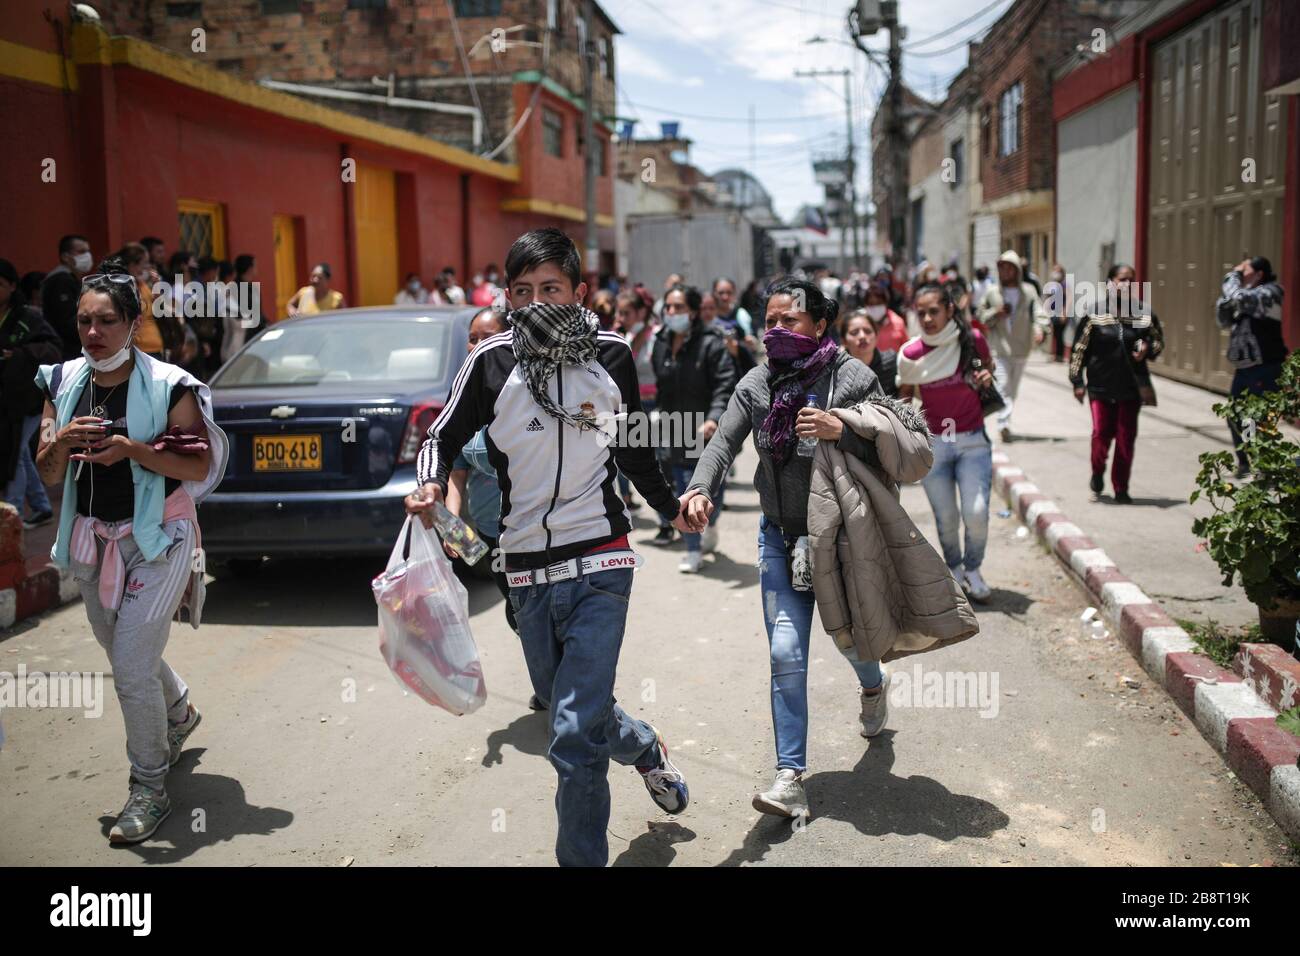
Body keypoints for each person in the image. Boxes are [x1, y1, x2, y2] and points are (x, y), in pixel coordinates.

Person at [405, 228, 696, 867]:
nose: (537, 302)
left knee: (570, 735)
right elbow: (440, 436)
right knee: (576, 708)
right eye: (524, 291)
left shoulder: (612, 356)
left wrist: (674, 511)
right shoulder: (490, 364)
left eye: (552, 289)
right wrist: (430, 486)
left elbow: (634, 452)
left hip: (601, 560)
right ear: (508, 297)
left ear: (579, 291)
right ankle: (645, 748)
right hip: (527, 575)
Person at [33, 256, 229, 844]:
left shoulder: (171, 386)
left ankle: (149, 786)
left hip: (158, 537)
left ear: (133, 323)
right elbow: (46, 476)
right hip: (93, 538)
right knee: (123, 648)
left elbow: (194, 462)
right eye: (84, 322)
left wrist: (133, 451)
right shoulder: (62, 383)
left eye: (107, 322)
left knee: (131, 666)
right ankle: (180, 713)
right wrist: (61, 440)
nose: (93, 334)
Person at [682, 277, 887, 819]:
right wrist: (701, 486)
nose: (776, 331)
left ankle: (873, 685)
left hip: (837, 539)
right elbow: (723, 440)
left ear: (820, 325)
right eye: (769, 321)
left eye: (788, 321)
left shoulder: (855, 378)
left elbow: (895, 449)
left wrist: (840, 428)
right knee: (785, 652)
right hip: (779, 538)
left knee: (849, 640)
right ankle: (790, 777)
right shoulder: (757, 383)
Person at [443, 307, 550, 711]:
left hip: (537, 530)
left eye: (487, 336)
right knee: (520, 612)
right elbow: (454, 471)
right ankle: (550, 676)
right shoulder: (461, 398)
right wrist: (451, 523)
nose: (478, 345)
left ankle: (558, 686)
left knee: (541, 610)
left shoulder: (529, 393)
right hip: (492, 534)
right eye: (473, 338)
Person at [898, 282, 996, 602]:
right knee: (947, 519)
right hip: (935, 444)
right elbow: (904, 398)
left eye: (934, 311)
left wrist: (986, 378)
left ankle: (974, 568)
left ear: (950, 310)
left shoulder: (973, 341)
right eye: (921, 312)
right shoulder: (911, 354)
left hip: (972, 441)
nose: (927, 319)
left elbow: (988, 370)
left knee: (976, 512)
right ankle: (954, 567)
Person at [652, 284, 737, 573]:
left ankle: (709, 523)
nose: (672, 313)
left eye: (679, 307)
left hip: (704, 430)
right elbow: (663, 385)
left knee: (713, 488)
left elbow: (725, 384)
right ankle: (692, 549)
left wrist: (714, 418)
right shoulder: (661, 342)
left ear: (693, 312)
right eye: (668, 307)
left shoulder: (711, 344)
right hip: (673, 429)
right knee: (682, 486)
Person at [1069, 264, 1164, 505]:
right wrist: (1077, 381)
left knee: (1125, 438)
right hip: (1100, 388)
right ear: (1110, 282)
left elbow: (1157, 343)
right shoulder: (1094, 313)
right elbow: (1079, 349)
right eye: (1121, 279)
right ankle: (1097, 471)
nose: (1126, 284)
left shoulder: (1144, 314)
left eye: (1131, 280)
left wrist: (1146, 349)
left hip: (1131, 388)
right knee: (1101, 435)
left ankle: (1121, 487)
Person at [1, 259, 62, 527]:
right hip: (5, 398)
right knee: (20, 451)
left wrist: (18, 355)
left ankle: (11, 515)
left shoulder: (28, 317)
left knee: (13, 454)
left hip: (29, 398)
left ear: (13, 286)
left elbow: (52, 348)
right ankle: (41, 506)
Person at [1215, 255, 1288, 479]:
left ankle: (1264, 465)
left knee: (1260, 417)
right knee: (1237, 415)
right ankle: (1246, 461)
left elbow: (1238, 296)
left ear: (1259, 274)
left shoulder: (1271, 292)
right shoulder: (1242, 295)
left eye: (1244, 270)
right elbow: (1222, 316)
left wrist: (1232, 276)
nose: (1239, 273)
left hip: (1266, 368)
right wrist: (1229, 298)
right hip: (1244, 369)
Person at [976, 250, 1048, 443]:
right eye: (1002, 268)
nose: (1005, 271)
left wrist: (1040, 329)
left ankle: (1004, 419)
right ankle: (1004, 424)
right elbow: (981, 316)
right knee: (1003, 385)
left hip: (1021, 347)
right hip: (999, 349)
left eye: (1009, 267)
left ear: (1017, 270)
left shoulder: (1029, 292)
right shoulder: (992, 293)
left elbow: (1039, 313)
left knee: (1012, 390)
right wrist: (996, 313)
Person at [614, 285, 658, 512]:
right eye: (618, 313)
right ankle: (626, 499)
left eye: (625, 313)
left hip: (653, 407)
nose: (620, 318)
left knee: (656, 459)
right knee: (622, 458)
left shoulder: (655, 337)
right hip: (628, 407)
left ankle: (665, 518)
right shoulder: (622, 337)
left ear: (640, 312)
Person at [42, 234, 94, 359]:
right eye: (81, 251)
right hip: (65, 351)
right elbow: (66, 320)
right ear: (65, 257)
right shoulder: (61, 280)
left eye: (88, 251)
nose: (87, 256)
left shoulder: (73, 279)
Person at [840, 307, 898, 397]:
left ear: (876, 335)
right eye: (854, 332)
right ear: (844, 341)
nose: (862, 336)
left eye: (868, 331)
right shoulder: (837, 369)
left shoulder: (892, 361)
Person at [862, 283, 908, 353]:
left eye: (878, 303)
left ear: (886, 303)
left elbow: (906, 348)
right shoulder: (860, 323)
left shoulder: (897, 322)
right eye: (871, 304)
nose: (875, 307)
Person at [1043, 263, 1071, 363]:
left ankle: (1059, 355)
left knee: (1059, 334)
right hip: (1053, 313)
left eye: (1058, 271)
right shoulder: (1053, 284)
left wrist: (1065, 312)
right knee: (1054, 333)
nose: (1055, 273)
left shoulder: (1064, 284)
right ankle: (1055, 354)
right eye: (1054, 270)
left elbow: (1068, 299)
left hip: (1061, 313)